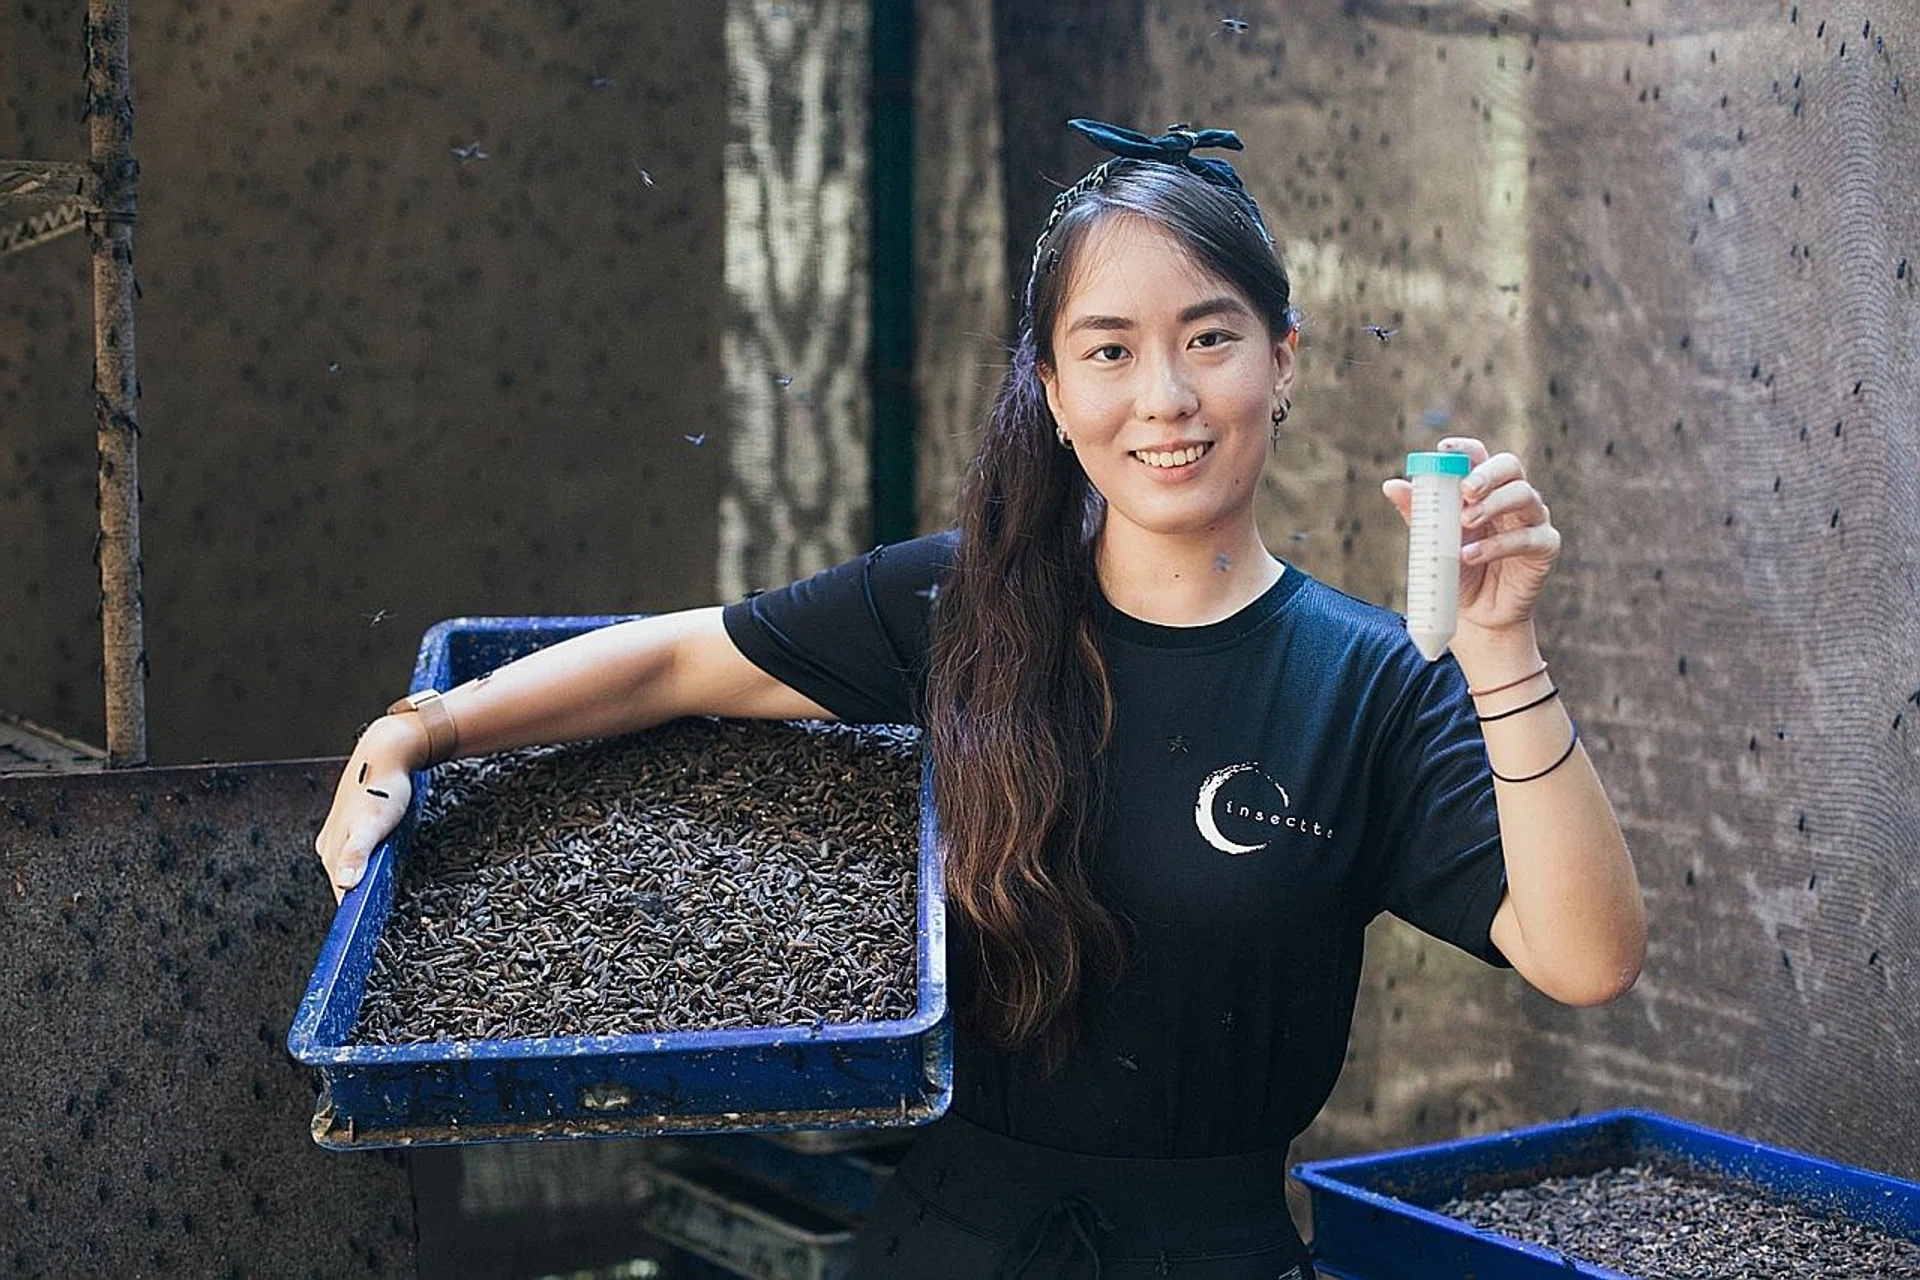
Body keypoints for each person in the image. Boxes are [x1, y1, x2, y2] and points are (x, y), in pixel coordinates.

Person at [315, 118, 1646, 1279]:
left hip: (1216, 1252)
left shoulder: (1370, 682)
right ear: (1056, 391)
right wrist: (422, 730)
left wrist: (1503, 651)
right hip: (943, 1246)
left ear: (1283, 362)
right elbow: (671, 660)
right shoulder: (966, 610)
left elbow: (1584, 958)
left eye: (1211, 337)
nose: (1167, 398)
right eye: (1111, 351)